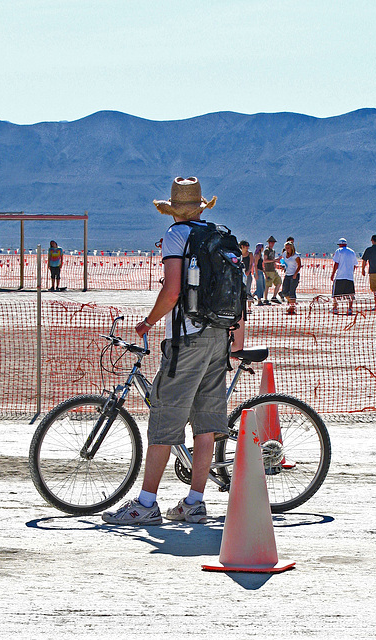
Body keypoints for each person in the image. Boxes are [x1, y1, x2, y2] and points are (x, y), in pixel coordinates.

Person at [102, 177, 229, 526]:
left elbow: (173, 290)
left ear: (174, 210)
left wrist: (147, 322)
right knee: (205, 425)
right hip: (219, 335)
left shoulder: (177, 235)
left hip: (188, 339)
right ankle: (195, 502)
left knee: (164, 418)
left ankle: (145, 504)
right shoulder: (216, 234)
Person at [331, 238, 359, 315]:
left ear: (340, 244)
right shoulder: (352, 252)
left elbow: (336, 263)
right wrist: (351, 273)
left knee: (335, 293)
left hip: (340, 276)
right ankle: (350, 309)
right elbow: (354, 265)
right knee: (350, 294)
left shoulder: (338, 251)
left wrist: (333, 274)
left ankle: (335, 308)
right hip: (349, 276)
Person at [280, 242, 301, 315]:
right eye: (286, 248)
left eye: (288, 248)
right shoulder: (284, 254)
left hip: (294, 275)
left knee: (292, 291)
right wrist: (282, 266)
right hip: (287, 274)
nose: (287, 249)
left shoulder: (296, 256)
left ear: (291, 248)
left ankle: (292, 307)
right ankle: (292, 304)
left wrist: (295, 274)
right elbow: (282, 260)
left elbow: (299, 265)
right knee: (284, 291)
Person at [263, 235, 282, 304]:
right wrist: (274, 260)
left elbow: (272, 260)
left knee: (279, 282)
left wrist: (276, 263)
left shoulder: (273, 251)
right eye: (271, 242)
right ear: (269, 243)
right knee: (267, 285)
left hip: (273, 270)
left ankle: (274, 296)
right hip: (268, 270)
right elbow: (265, 260)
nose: (272, 243)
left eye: (273, 242)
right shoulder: (266, 251)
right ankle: (265, 299)